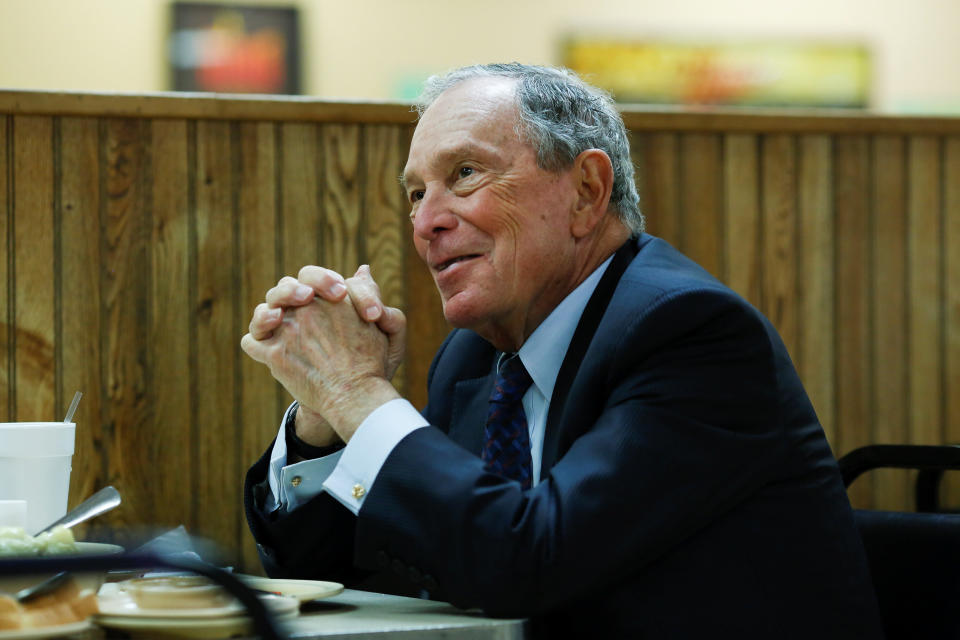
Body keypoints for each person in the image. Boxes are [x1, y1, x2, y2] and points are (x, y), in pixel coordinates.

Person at [241, 63, 883, 638]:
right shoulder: (472, 357)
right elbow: (344, 568)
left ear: (586, 191)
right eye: (416, 193)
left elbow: (527, 561)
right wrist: (327, 421)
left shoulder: (690, 334)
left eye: (464, 174)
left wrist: (360, 393)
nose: (425, 222)